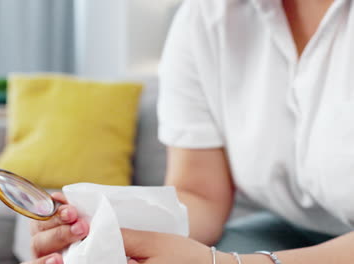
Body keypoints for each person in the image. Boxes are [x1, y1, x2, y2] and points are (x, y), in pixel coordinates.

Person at [24, 0, 354, 263]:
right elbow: (200, 195)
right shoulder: (205, 17)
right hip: (291, 232)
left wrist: (229, 263)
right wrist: (102, 222)